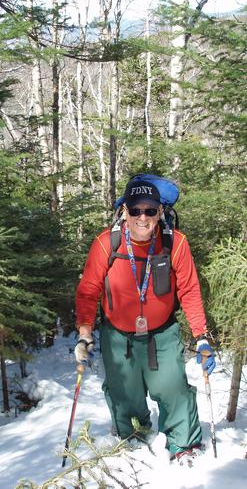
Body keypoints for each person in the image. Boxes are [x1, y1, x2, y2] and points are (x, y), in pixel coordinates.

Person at [74, 176, 216, 463]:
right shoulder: (106, 243)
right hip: (118, 337)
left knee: (172, 389)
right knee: (123, 395)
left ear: (159, 212)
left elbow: (189, 290)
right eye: (136, 210)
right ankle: (133, 440)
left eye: (150, 210)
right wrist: (85, 334)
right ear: (124, 210)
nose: (143, 217)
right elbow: (88, 291)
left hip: (162, 334)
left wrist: (201, 336)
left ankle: (184, 447)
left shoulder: (174, 243)